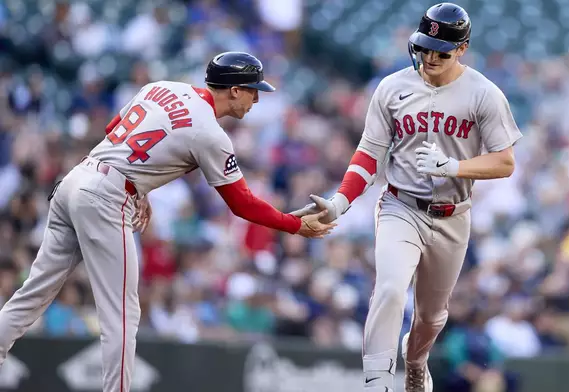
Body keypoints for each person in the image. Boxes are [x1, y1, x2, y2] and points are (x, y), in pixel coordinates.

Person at [0, 52, 335, 392]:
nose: (257, 98)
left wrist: (139, 187)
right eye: (253, 90)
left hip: (76, 180)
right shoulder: (210, 133)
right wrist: (295, 225)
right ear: (234, 90)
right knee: (123, 316)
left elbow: (114, 131)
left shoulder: (161, 87)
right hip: (104, 198)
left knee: (33, 294)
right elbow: (242, 204)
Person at [292, 3, 523, 391]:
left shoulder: (484, 94)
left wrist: (453, 167)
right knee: (390, 288)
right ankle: (377, 381)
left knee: (432, 317)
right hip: (401, 206)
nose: (431, 57)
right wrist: (339, 203)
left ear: (462, 49)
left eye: (442, 51)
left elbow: (505, 162)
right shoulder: (392, 87)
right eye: (425, 47)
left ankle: (415, 359)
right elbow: (368, 154)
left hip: (453, 215)